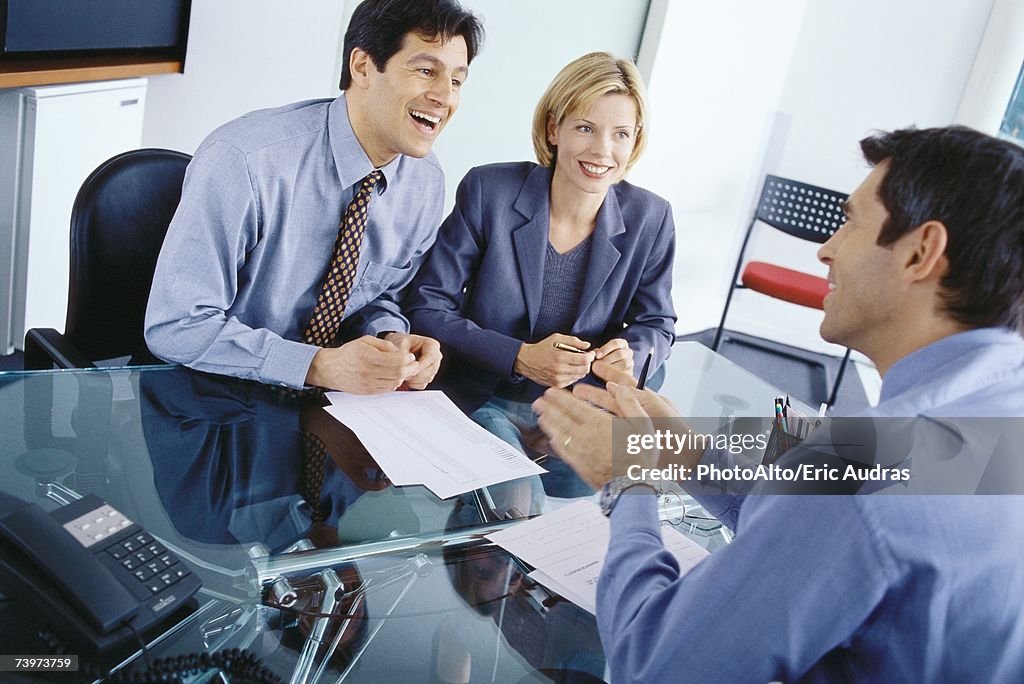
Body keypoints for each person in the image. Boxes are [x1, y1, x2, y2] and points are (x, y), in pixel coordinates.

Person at [533, 126, 1024, 681]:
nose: (826, 249)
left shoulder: (857, 470)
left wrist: (628, 483)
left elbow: (655, 666)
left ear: (920, 252)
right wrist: (686, 457)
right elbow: (814, 537)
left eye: (852, 222)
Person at [145, 0, 483, 393]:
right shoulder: (246, 161)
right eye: (426, 71)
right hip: (211, 395)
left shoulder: (425, 181)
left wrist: (390, 339)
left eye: (457, 81)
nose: (444, 96)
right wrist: (315, 365)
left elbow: (378, 297)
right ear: (362, 67)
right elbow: (176, 325)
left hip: (325, 406)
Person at [406, 52, 676, 492]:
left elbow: (658, 323)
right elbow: (426, 304)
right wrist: (518, 356)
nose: (602, 151)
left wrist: (632, 353)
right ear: (554, 129)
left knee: (617, 501)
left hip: (581, 409)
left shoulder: (652, 217)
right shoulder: (488, 191)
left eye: (620, 134)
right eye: (585, 128)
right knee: (513, 502)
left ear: (635, 141)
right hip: (484, 398)